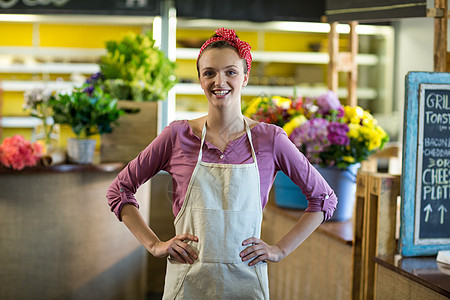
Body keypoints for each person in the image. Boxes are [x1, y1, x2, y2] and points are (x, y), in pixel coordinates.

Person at [107, 27, 337, 299]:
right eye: (209, 73)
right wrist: (154, 245)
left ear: (245, 77)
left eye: (230, 72)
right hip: (187, 284)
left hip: (246, 284)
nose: (220, 81)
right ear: (200, 79)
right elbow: (120, 190)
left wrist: (279, 249)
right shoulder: (176, 136)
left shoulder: (270, 140)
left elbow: (324, 199)